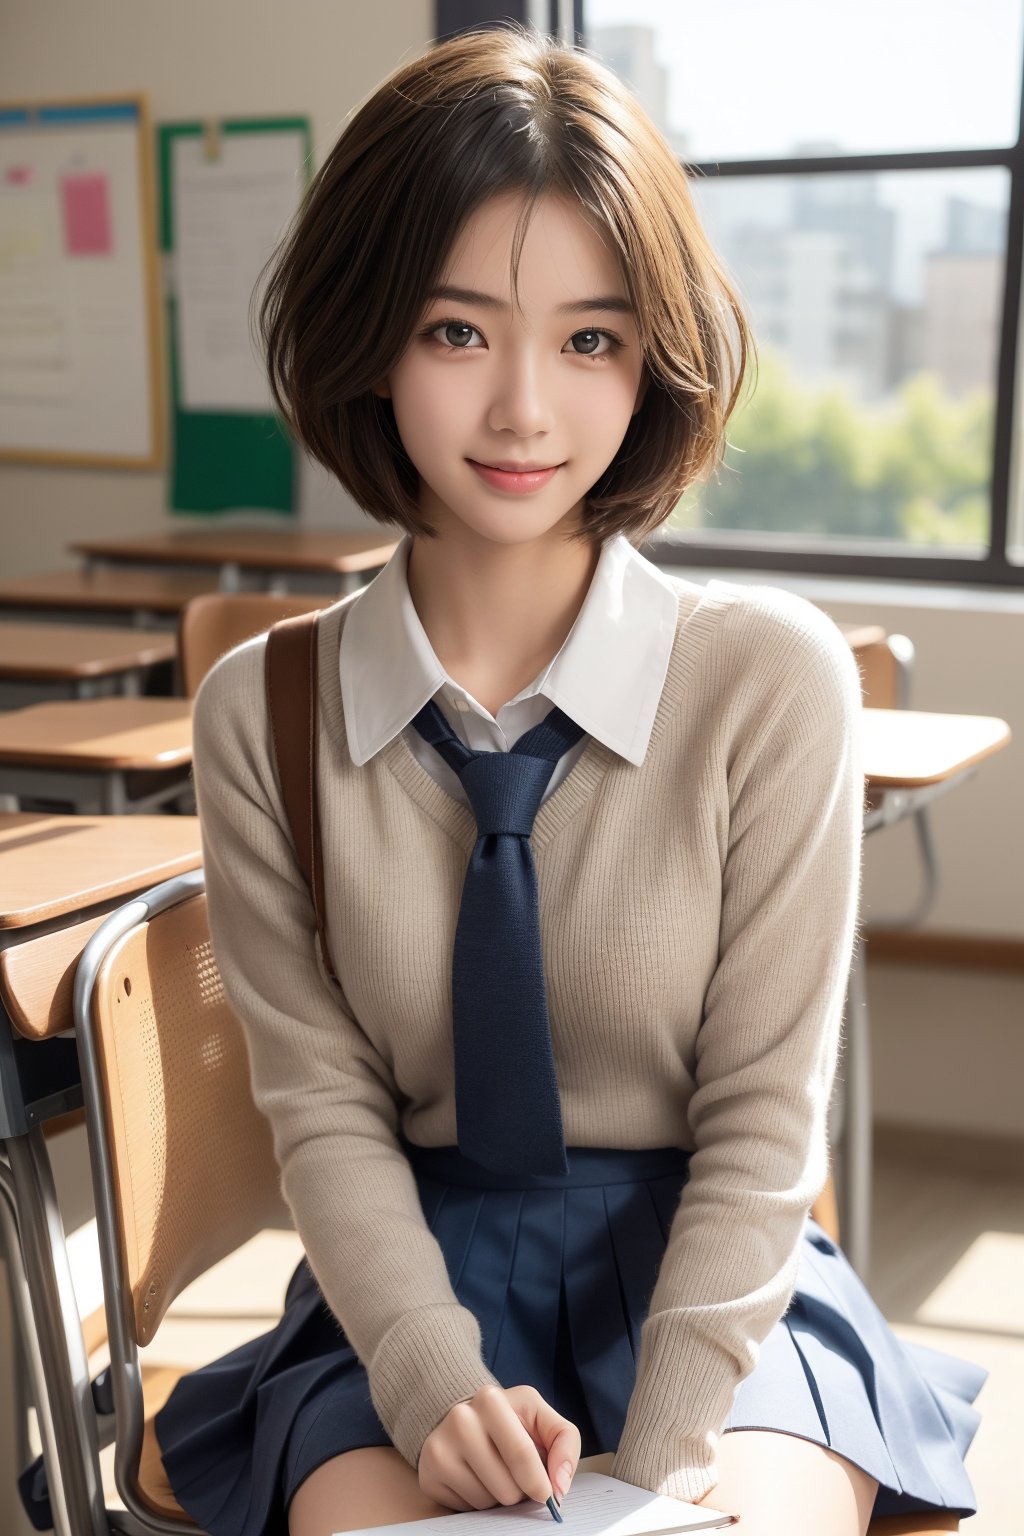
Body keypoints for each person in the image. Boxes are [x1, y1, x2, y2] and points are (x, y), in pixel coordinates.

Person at [148, 22, 986, 1536]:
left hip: (718, 1277)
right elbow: (326, 1115)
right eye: (458, 332)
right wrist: (425, 1380)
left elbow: (762, 1120)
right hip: (406, 1276)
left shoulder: (770, 681)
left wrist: (666, 1455)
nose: (526, 407)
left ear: (651, 358)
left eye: (591, 339)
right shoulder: (259, 712)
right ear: (367, 337)